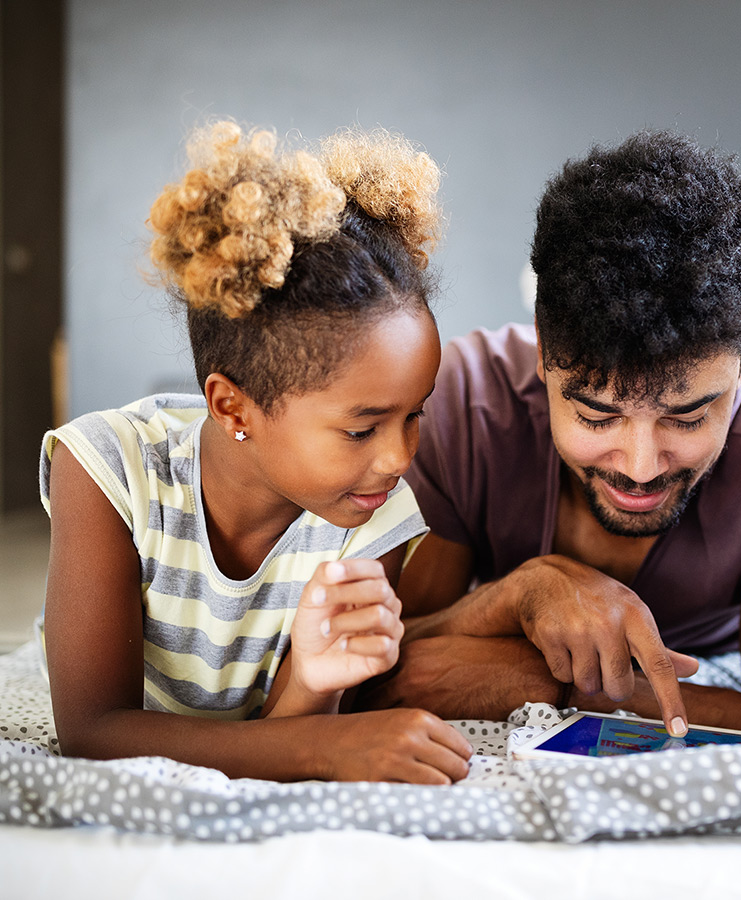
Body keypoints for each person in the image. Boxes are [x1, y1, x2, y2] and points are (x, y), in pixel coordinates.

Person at [359, 131, 741, 738]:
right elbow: (384, 668)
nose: (643, 466)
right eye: (597, 417)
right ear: (543, 353)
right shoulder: (464, 405)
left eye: (687, 417)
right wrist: (519, 593)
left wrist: (571, 685)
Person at [39, 120, 473, 784]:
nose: (399, 458)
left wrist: (319, 682)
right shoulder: (107, 469)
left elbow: (281, 734)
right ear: (232, 407)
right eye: (363, 429)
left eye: (415, 415)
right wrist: (332, 748)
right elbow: (94, 731)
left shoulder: (373, 514)